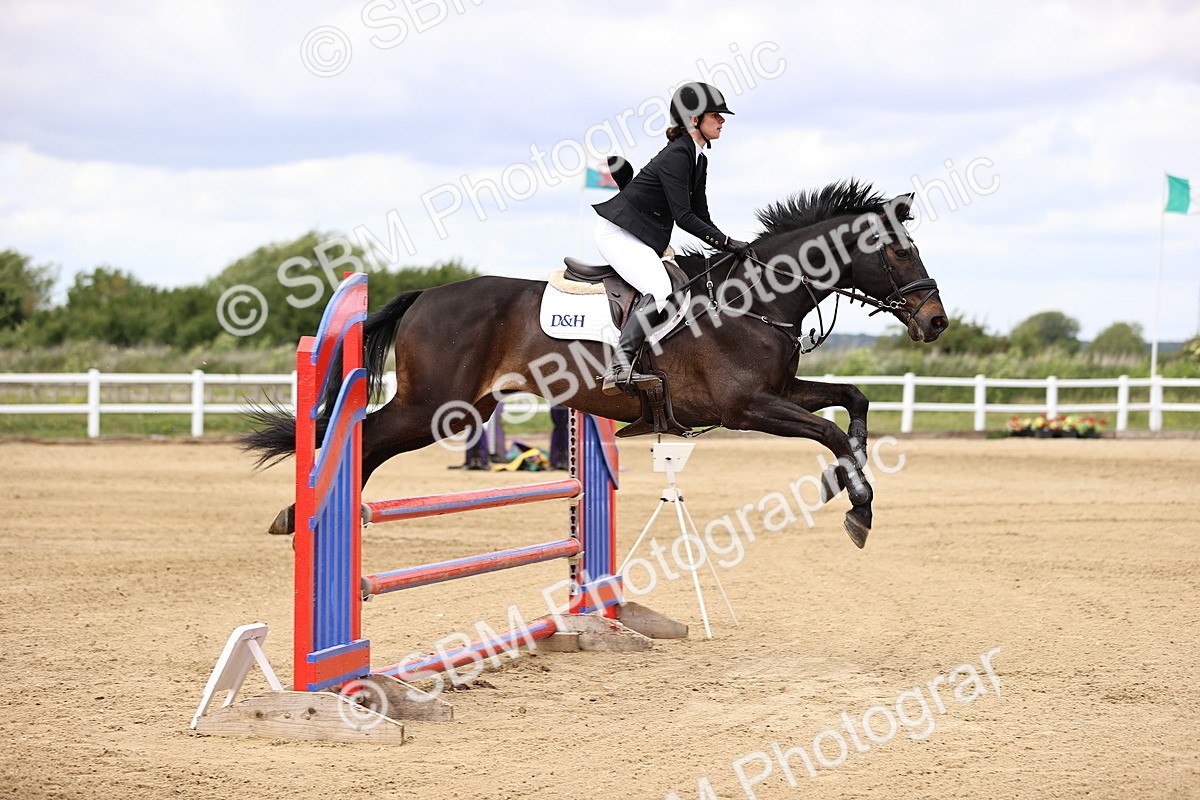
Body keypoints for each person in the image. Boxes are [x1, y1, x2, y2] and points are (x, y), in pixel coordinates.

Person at [592, 81, 752, 395]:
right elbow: (683, 217)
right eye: (716, 115)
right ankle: (619, 366)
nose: (722, 120)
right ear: (694, 119)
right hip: (618, 233)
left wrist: (728, 245)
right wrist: (726, 243)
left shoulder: (698, 158)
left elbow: (701, 215)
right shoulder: (677, 155)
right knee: (658, 289)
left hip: (640, 235)